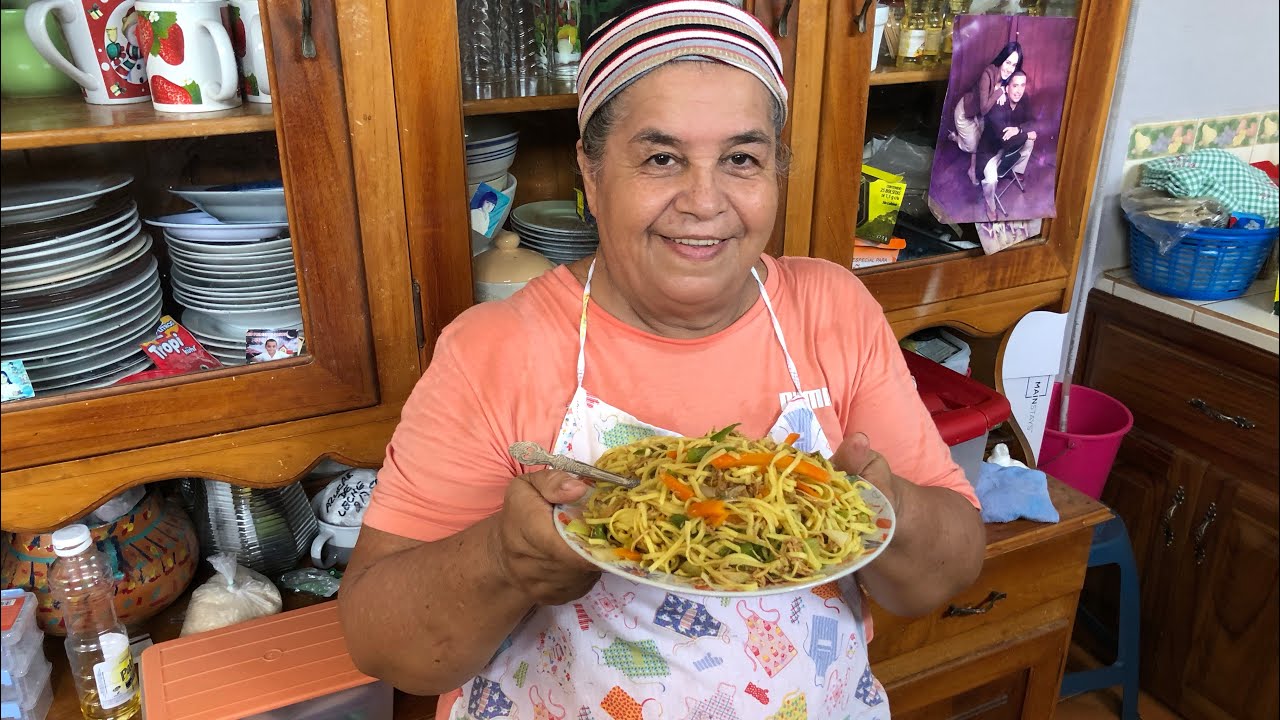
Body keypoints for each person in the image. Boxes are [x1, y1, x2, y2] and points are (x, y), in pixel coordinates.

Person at [339, 2, 985, 718]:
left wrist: (884, 512)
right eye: (661, 158)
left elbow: (940, 576)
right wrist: (501, 561)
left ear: (778, 168)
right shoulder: (495, 350)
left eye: (741, 159)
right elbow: (380, 643)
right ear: (591, 170)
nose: (704, 202)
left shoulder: (833, 309)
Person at [949, 41, 1023, 186]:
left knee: (982, 139)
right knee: (972, 146)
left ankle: (972, 169)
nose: (1009, 69)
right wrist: (1000, 92)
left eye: (1014, 65)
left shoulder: (1005, 79)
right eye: (1008, 62)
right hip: (965, 112)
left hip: (978, 115)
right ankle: (956, 139)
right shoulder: (988, 74)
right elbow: (984, 108)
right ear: (1002, 59)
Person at [978, 70, 1037, 219]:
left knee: (1030, 141)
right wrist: (1026, 134)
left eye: (1022, 85)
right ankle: (990, 205)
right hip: (991, 151)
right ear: (1006, 87)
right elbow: (1006, 141)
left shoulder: (1024, 99)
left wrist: (1019, 129)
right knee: (991, 181)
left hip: (1009, 149)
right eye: (1015, 85)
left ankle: (1016, 170)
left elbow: (1032, 122)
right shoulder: (997, 106)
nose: (1019, 90)